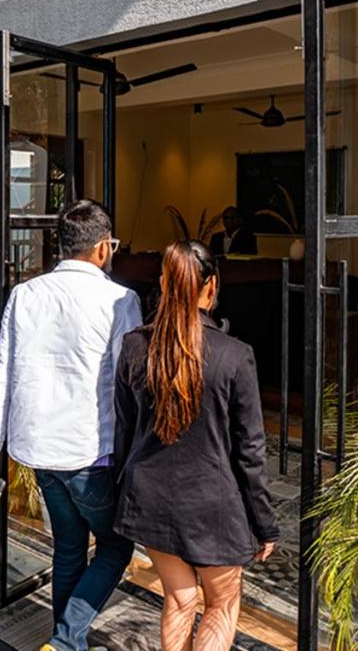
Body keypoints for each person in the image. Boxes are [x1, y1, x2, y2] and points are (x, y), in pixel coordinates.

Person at [0, 199, 144, 651]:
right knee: (115, 547)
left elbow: (2, 374)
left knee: (69, 547)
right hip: (90, 452)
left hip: (38, 450)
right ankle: (67, 642)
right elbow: (130, 383)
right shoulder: (120, 301)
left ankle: (62, 643)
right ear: (103, 248)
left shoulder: (24, 295)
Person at [112, 241, 278, 651]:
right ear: (212, 286)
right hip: (213, 506)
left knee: (179, 599)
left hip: (150, 498)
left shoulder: (135, 346)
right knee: (221, 605)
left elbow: (124, 431)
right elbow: (250, 452)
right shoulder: (234, 356)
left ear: (163, 284)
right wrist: (264, 523)